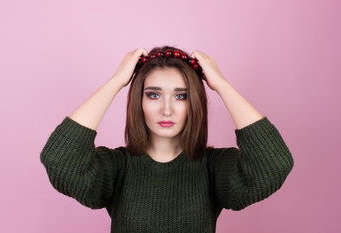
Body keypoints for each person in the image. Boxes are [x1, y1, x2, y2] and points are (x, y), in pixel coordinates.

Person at [40, 46, 294, 232]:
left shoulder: (213, 167)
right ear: (138, 101)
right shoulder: (117, 167)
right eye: (153, 95)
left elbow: (273, 165)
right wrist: (117, 81)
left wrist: (221, 84)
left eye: (181, 96)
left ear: (195, 103)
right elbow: (60, 161)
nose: (167, 109)